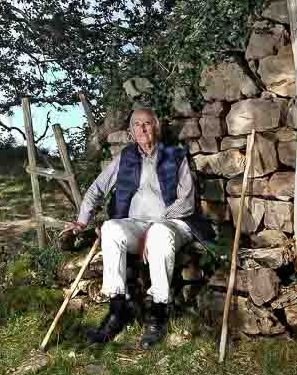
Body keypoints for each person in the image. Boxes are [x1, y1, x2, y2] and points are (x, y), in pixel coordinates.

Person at [61, 108, 207, 348]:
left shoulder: (174, 155)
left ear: (156, 126)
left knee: (159, 234)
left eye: (147, 123)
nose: (142, 128)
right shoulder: (126, 157)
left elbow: (187, 201)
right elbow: (97, 188)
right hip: (137, 224)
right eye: (137, 124)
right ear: (131, 131)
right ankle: (118, 310)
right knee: (110, 228)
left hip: (174, 223)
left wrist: (159, 222)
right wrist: (82, 221)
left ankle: (158, 314)